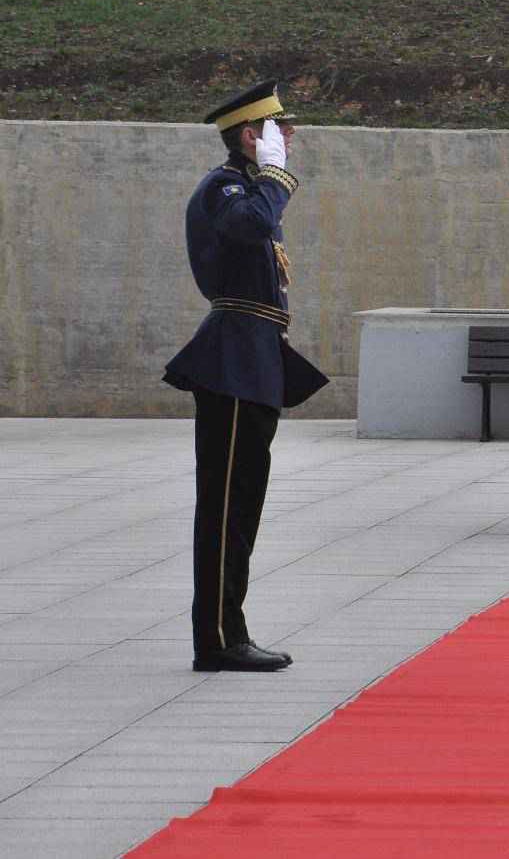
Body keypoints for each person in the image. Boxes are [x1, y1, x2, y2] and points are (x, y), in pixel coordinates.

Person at [163, 80, 328, 673]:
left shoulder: (245, 187)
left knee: (244, 507)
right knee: (225, 507)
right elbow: (253, 225)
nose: (289, 140)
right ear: (250, 135)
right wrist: (274, 175)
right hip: (232, 359)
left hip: (254, 356)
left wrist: (271, 177)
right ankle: (215, 639)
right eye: (279, 131)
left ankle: (230, 630)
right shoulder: (226, 188)